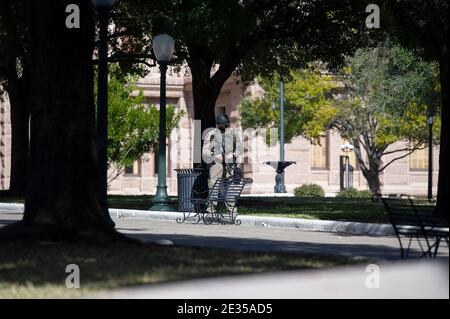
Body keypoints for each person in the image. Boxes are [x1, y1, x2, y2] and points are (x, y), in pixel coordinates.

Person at [202, 113, 242, 188]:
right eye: (222, 125)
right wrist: (214, 156)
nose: (224, 127)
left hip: (230, 166)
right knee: (214, 189)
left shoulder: (233, 134)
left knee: (231, 192)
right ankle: (214, 200)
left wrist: (233, 155)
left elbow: (239, 148)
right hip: (216, 165)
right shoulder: (211, 134)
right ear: (218, 124)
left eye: (226, 124)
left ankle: (229, 200)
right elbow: (205, 151)